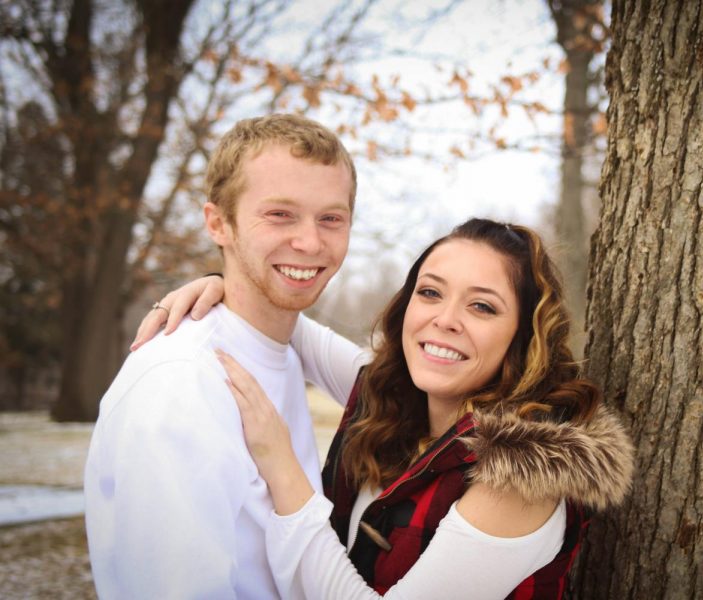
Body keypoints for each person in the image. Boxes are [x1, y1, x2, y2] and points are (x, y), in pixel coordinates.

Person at [137, 218, 635, 599]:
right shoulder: (391, 393)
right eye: (431, 293)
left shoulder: (521, 477)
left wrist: (280, 466)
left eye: (481, 306)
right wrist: (217, 284)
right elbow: (285, 318)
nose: (445, 320)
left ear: (523, 337)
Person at [83, 113, 370, 599]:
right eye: (279, 214)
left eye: (331, 218)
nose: (310, 241)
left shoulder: (279, 346)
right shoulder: (182, 381)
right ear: (218, 222)